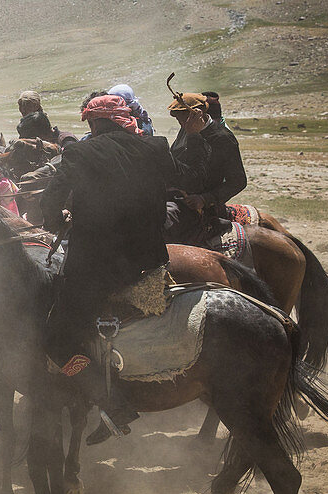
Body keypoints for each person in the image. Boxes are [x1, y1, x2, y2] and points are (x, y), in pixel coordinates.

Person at [38, 93, 208, 444]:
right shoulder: (156, 147)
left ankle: (110, 403)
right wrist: (195, 135)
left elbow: (50, 201)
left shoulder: (80, 153)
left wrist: (59, 219)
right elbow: (188, 177)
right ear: (123, 119)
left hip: (95, 269)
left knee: (57, 339)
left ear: (94, 122)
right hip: (149, 265)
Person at [166, 92, 246, 243]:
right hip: (177, 197)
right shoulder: (187, 128)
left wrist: (204, 199)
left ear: (197, 113)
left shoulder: (223, 138)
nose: (180, 123)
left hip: (202, 207)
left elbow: (238, 181)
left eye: (182, 118)